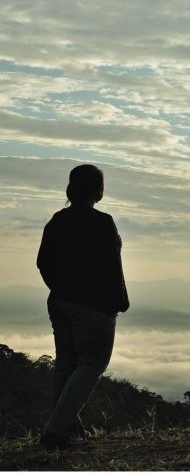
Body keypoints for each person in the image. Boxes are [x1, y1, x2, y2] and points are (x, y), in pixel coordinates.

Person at [36, 164, 130, 449]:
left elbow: (43, 263)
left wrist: (60, 289)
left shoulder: (57, 220)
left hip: (60, 303)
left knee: (66, 364)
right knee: (92, 364)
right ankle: (56, 431)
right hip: (93, 307)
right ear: (99, 191)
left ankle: (68, 429)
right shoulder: (101, 222)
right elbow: (113, 268)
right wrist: (119, 303)